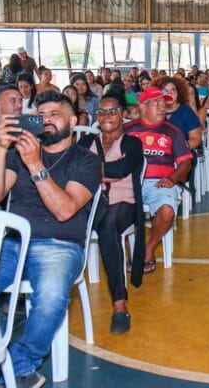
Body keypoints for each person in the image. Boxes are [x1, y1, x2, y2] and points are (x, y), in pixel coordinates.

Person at [0, 90, 101, 387]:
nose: (48, 121)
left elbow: (65, 210)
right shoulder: (18, 153)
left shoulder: (87, 161)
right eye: (42, 116)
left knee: (52, 295)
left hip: (59, 245)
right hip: (13, 241)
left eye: (56, 114)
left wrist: (36, 165)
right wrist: (2, 149)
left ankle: (16, 362)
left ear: (74, 119)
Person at [78, 92, 144, 334]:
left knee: (108, 227)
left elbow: (121, 169)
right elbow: (72, 167)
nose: (107, 116)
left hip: (123, 201)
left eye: (113, 111)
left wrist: (91, 171)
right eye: (102, 112)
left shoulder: (132, 143)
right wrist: (102, 172)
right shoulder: (86, 142)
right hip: (89, 201)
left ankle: (119, 304)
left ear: (122, 115)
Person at [124, 87, 193, 271]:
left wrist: (173, 177)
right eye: (157, 103)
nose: (163, 107)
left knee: (167, 211)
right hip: (129, 183)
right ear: (142, 106)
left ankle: (148, 248)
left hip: (160, 182)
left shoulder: (173, 132)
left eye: (164, 104)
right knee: (114, 209)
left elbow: (185, 165)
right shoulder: (127, 130)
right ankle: (130, 247)